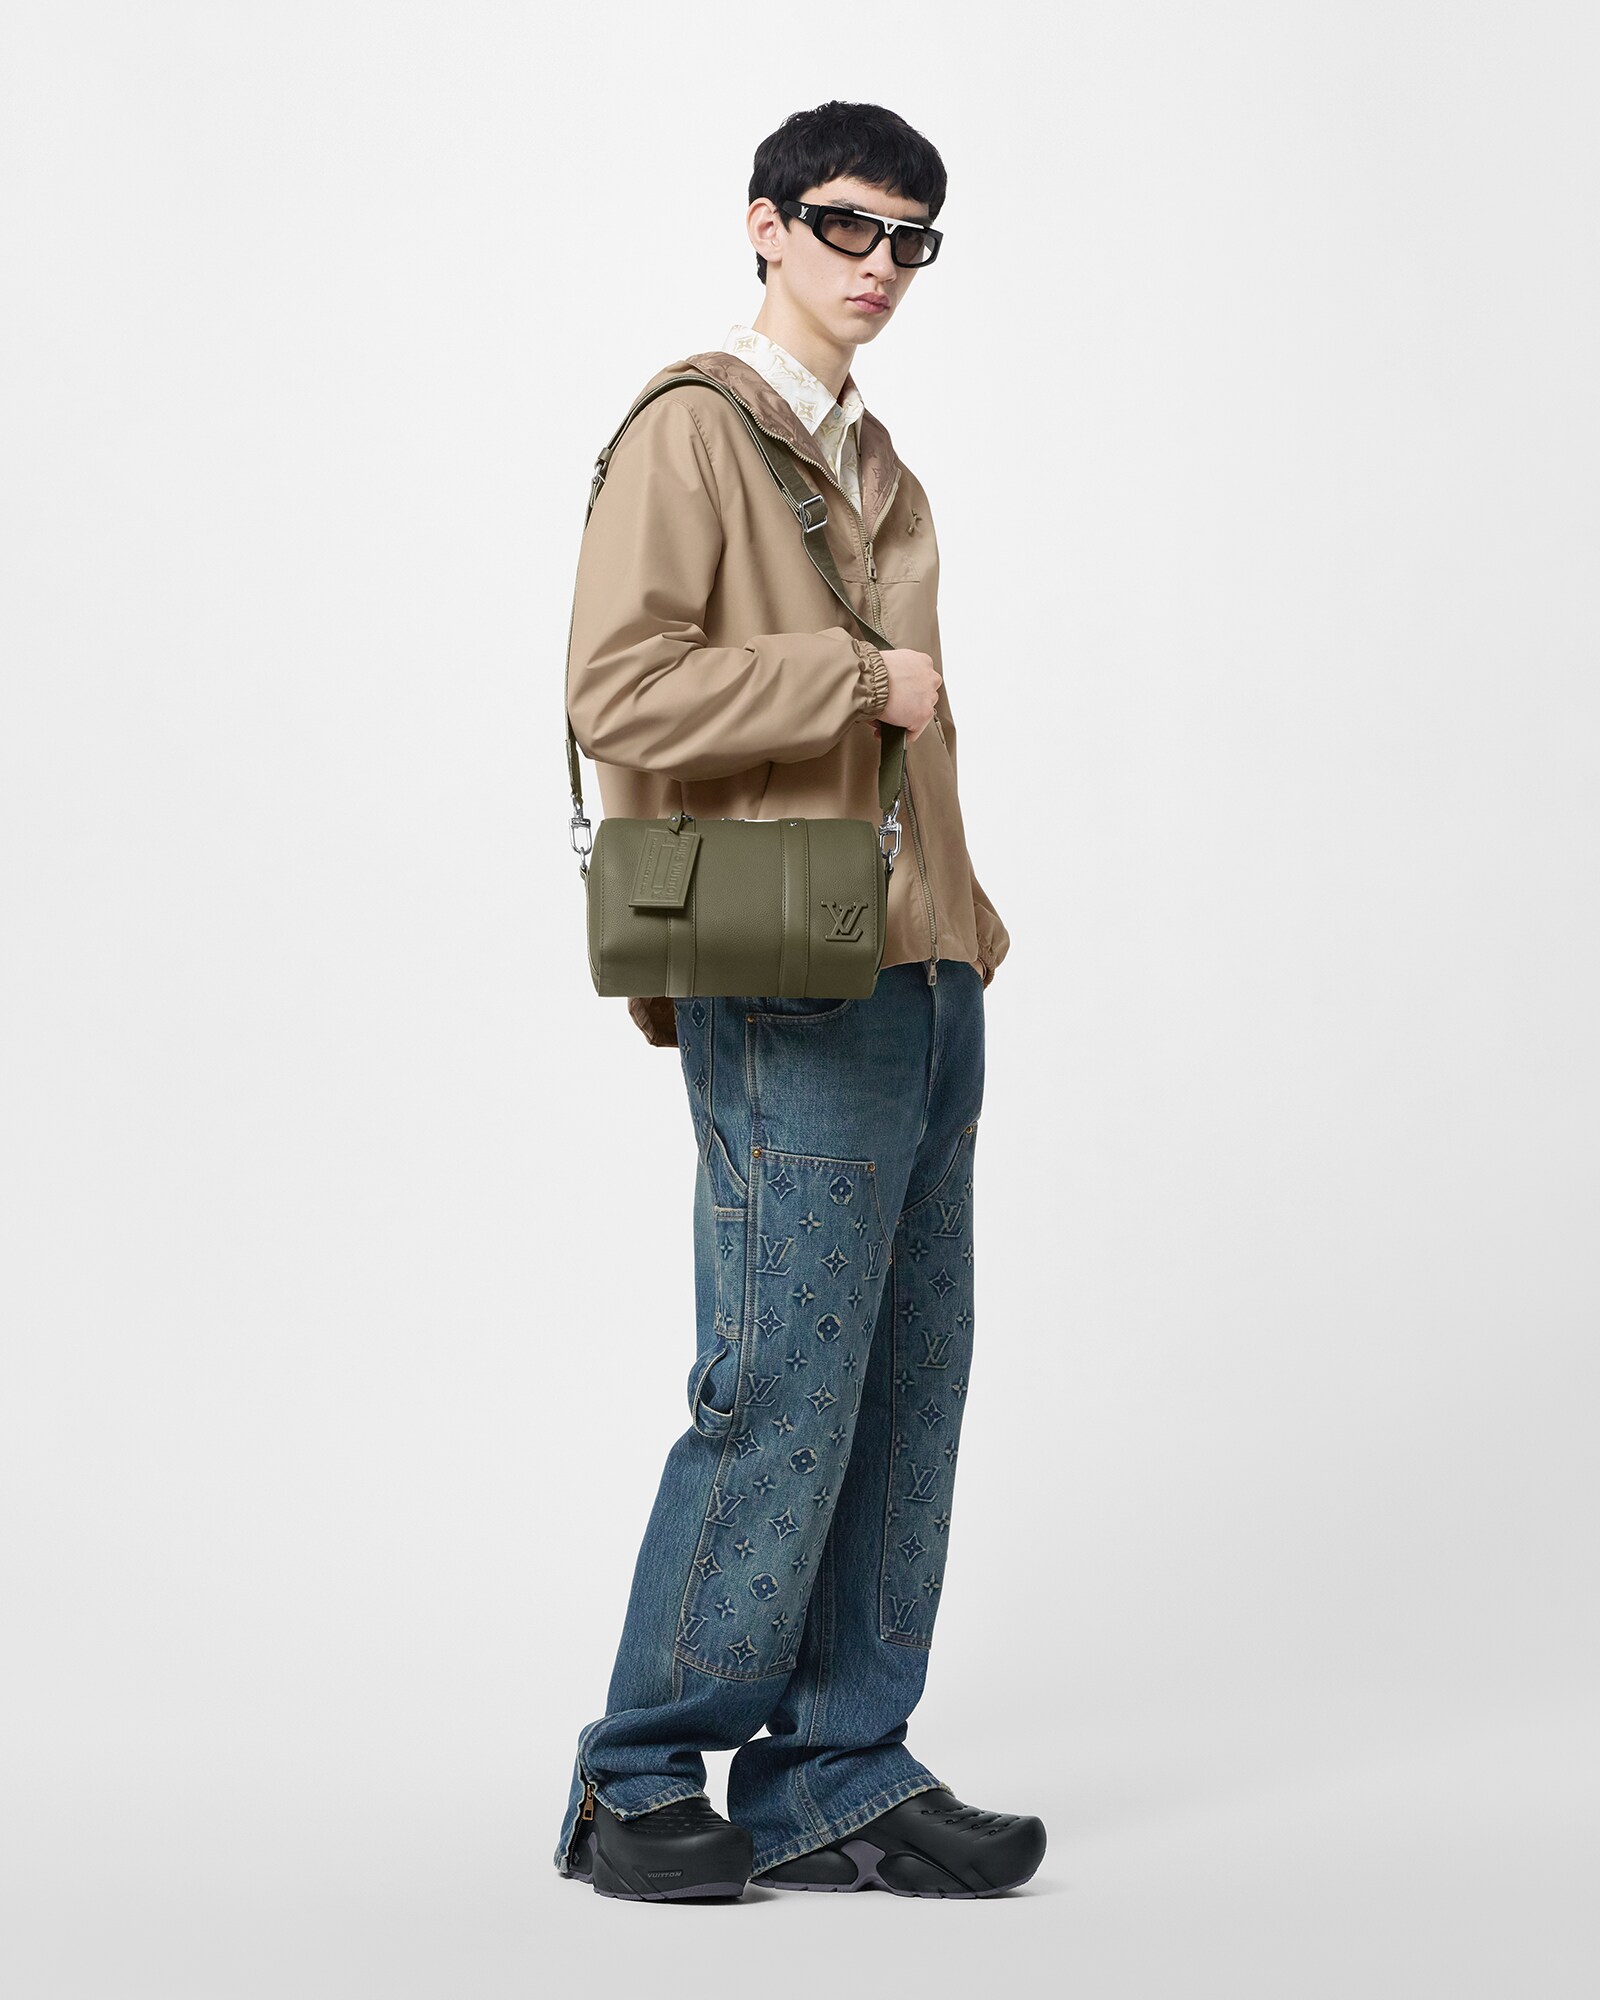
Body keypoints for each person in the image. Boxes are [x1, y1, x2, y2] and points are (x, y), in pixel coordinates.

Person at [555, 99, 1044, 1903]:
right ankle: (635, 1779)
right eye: (848, 225)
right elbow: (618, 689)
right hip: (790, 966)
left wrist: (965, 931)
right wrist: (850, 675)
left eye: (912, 238)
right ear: (764, 224)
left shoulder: (873, 455)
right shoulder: (694, 431)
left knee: (908, 1385)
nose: (880, 264)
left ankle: (838, 1768)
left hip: (920, 963)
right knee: (781, 1379)